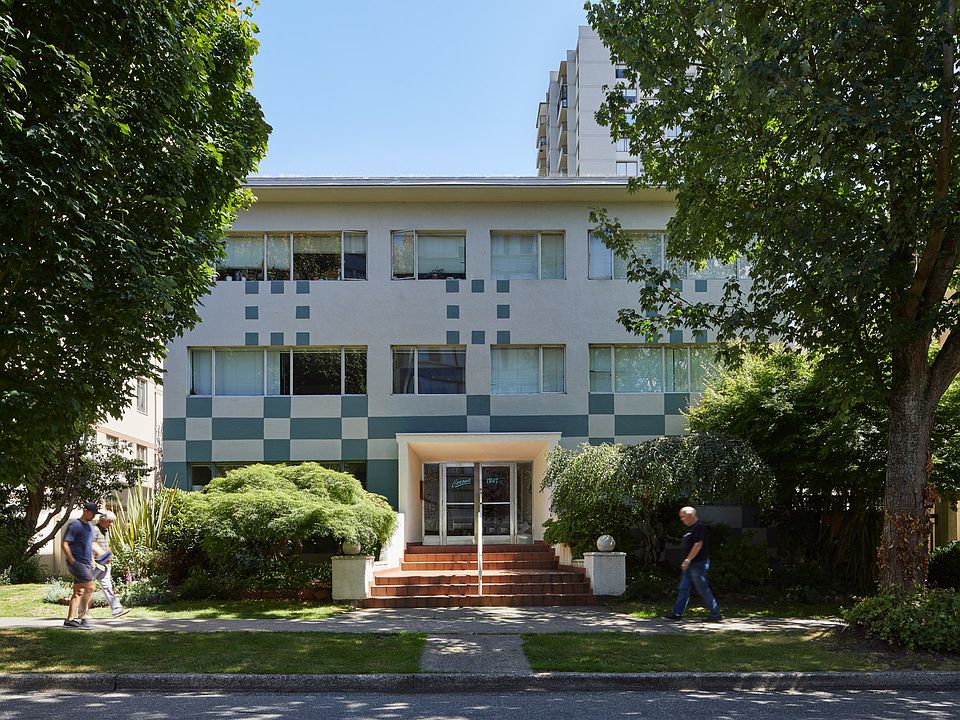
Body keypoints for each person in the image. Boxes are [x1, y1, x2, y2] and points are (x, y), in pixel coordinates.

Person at [663, 506, 722, 622]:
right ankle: (677, 613)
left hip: (698, 564)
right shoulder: (691, 529)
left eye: (683, 516)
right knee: (683, 589)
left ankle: (715, 614)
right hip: (690, 565)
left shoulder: (700, 527)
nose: (682, 519)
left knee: (702, 589)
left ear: (691, 515)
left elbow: (698, 545)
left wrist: (688, 559)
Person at [61, 501, 99, 629]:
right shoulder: (75, 525)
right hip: (77, 562)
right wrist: (71, 560)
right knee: (91, 587)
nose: (94, 516)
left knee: (78, 591)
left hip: (86, 562)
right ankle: (84, 615)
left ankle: (70, 620)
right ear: (85, 511)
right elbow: (65, 543)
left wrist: (92, 560)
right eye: (92, 513)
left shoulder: (90, 527)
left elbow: (89, 545)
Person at [88, 510, 129, 618]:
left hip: (104, 565)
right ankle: (82, 612)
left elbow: (105, 546)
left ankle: (117, 609)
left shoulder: (105, 531)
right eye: (110, 521)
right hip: (95, 564)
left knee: (107, 586)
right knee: (87, 587)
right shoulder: (95, 530)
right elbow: (90, 545)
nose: (111, 524)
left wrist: (109, 557)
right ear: (103, 520)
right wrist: (92, 561)